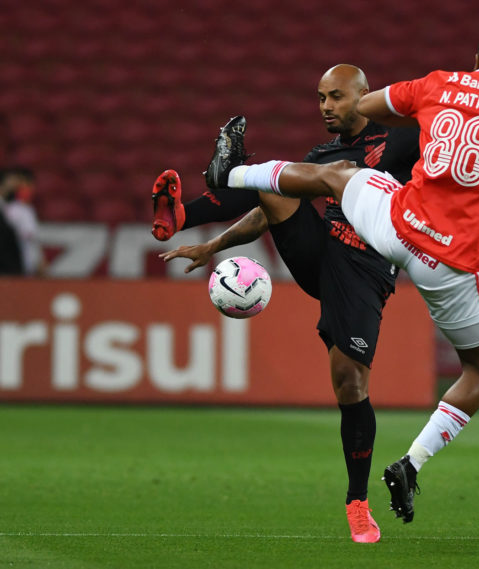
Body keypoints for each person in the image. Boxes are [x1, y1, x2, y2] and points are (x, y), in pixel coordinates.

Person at [202, 30, 479, 524]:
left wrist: (419, 110)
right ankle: (411, 464)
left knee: (339, 174)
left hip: (395, 226)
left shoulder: (438, 84)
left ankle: (233, 174)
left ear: (476, 60)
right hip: (449, 264)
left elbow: (368, 105)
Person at [155, 64, 421, 543]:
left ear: (364, 96)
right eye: (320, 98)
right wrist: (212, 245)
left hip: (366, 269)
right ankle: (179, 215)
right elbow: (266, 210)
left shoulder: (401, 139)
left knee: (349, 382)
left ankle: (357, 502)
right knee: (272, 180)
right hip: (323, 253)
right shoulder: (324, 154)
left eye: (336, 97)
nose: (325, 107)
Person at [3, 173, 46, 277]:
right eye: (23, 186)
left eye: (29, 186)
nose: (27, 189)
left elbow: (34, 239)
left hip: (31, 263)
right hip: (16, 262)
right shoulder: (11, 210)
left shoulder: (30, 210)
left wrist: (40, 260)